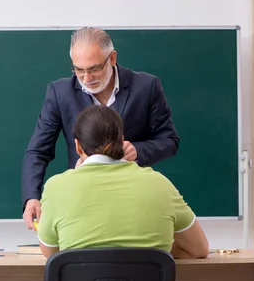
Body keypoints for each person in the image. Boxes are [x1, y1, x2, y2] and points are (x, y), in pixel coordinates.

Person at [22, 26, 179, 229]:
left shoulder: (146, 87)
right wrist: (31, 197)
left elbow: (169, 141)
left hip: (133, 200)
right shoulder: (59, 93)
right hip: (81, 202)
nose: (87, 78)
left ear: (112, 58)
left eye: (94, 68)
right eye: (79, 70)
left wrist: (138, 150)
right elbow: (38, 151)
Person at [36, 105, 208, 260]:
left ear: (78, 146)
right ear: (122, 141)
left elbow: (51, 253)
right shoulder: (160, 184)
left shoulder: (56, 187)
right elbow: (198, 249)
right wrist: (161, 252)